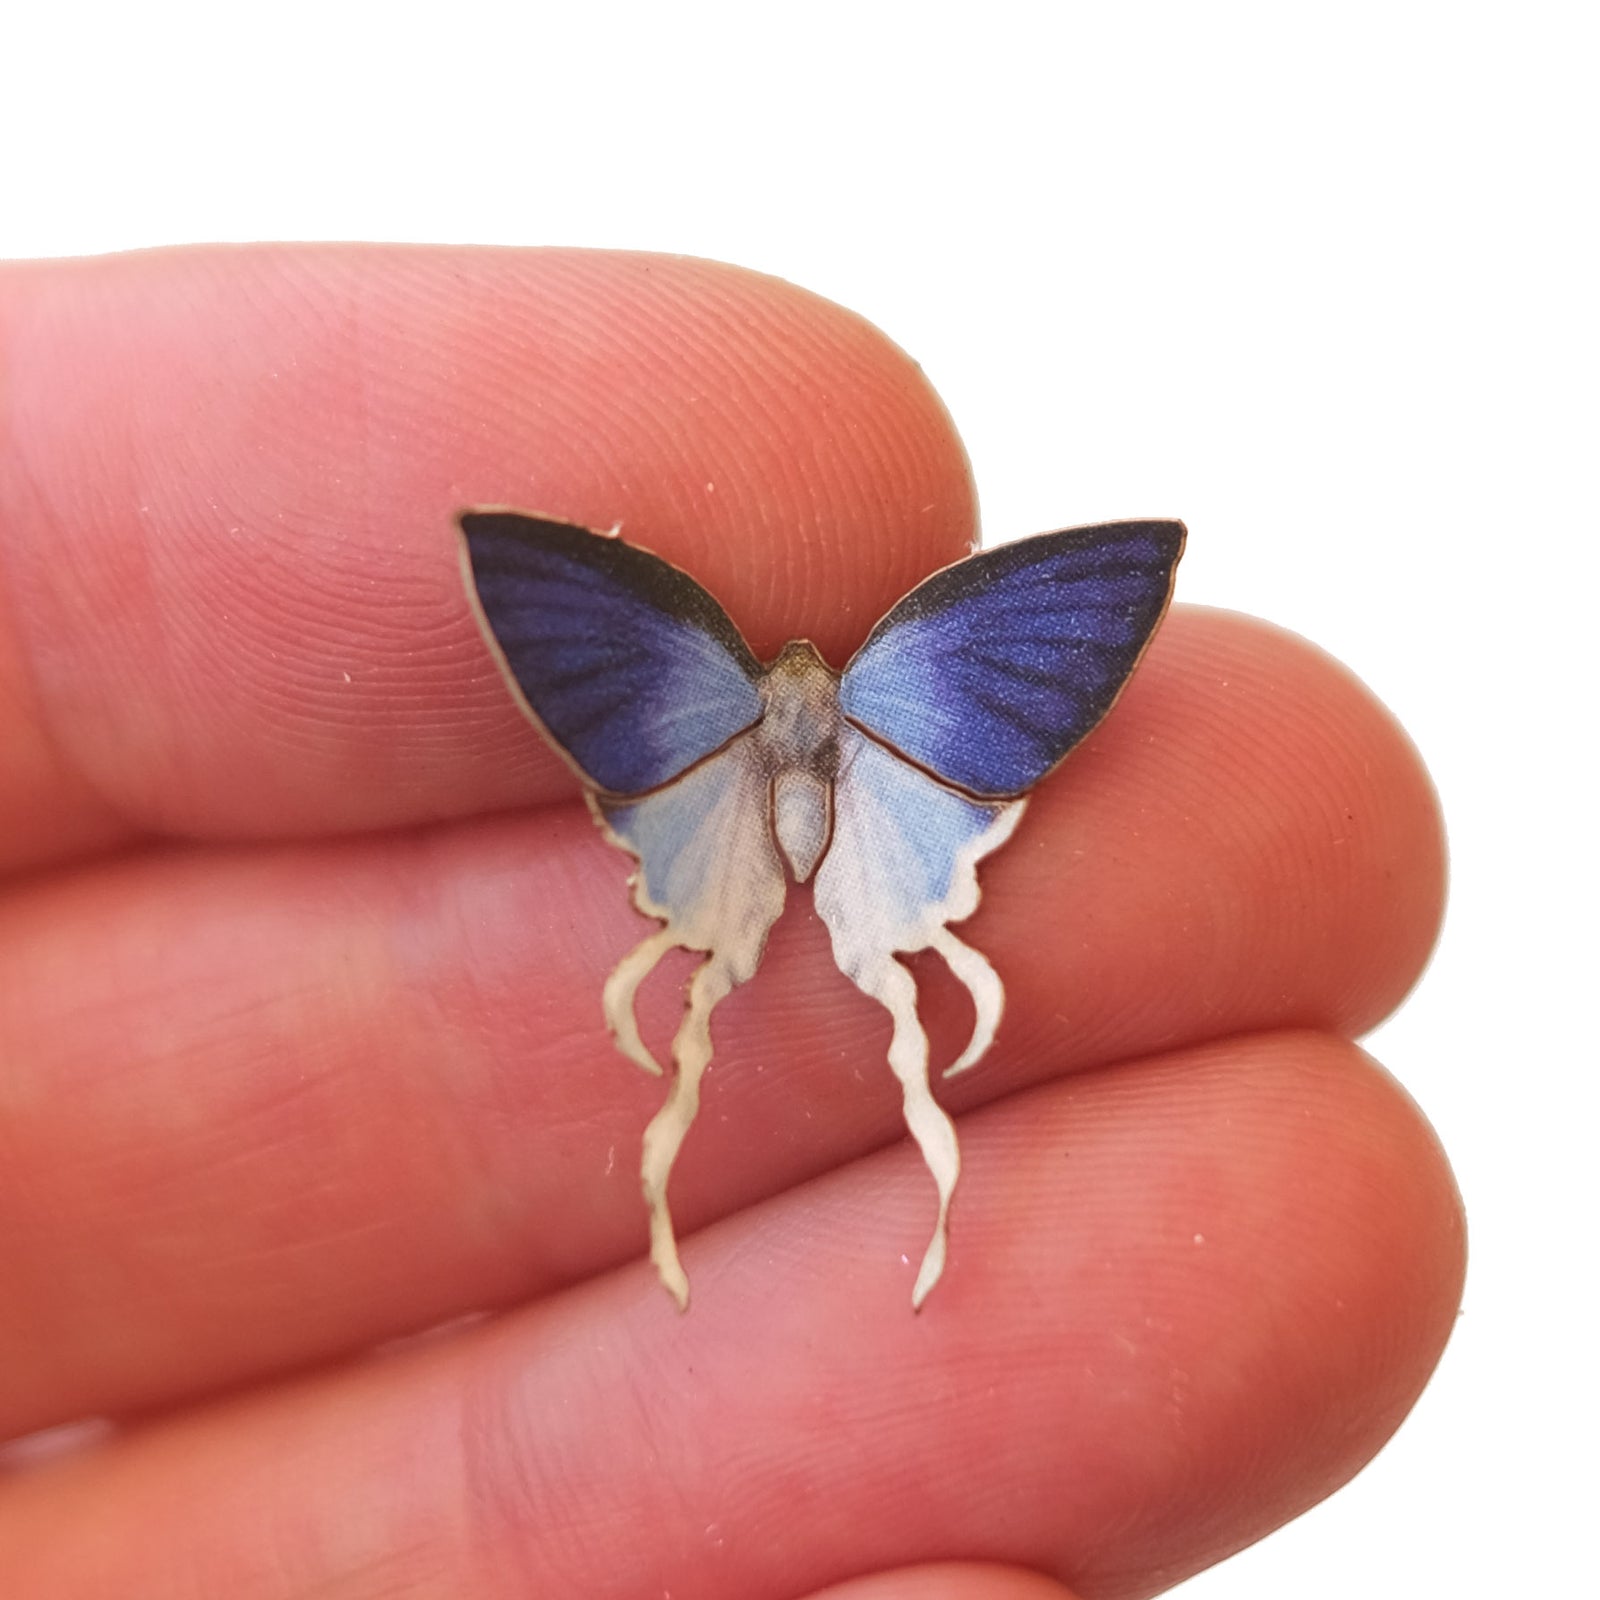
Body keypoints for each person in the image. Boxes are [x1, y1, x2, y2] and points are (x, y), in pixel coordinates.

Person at [0, 245, 1462, 1598]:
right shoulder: (867, 683)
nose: (808, 685)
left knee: (706, 1026)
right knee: (896, 1025)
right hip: (903, 809)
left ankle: (834, 1211)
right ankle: (852, 1207)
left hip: (718, 811)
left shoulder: (716, 686)